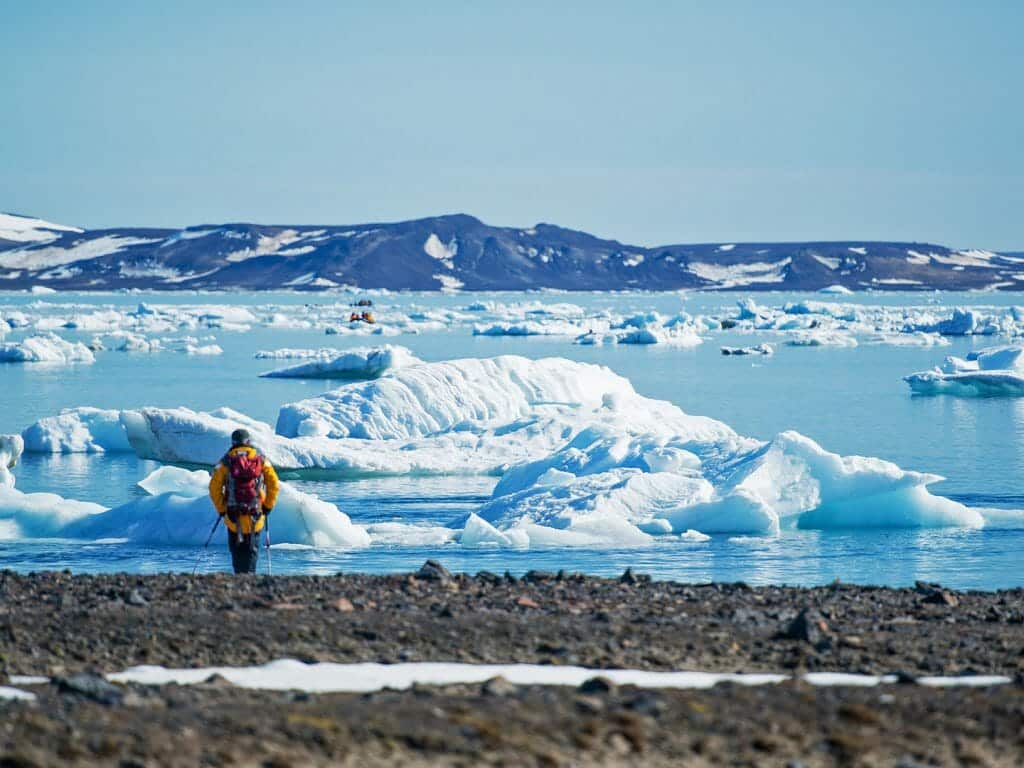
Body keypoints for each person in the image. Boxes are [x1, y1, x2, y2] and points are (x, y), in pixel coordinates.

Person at [208, 428, 280, 574]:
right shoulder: (260, 460)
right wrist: (267, 506)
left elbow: (214, 488)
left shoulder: (225, 462)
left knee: (237, 551)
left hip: (233, 515)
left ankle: (239, 578)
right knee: (251, 550)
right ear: (249, 442)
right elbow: (274, 484)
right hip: (256, 513)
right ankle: (250, 577)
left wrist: (222, 509)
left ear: (233, 442)